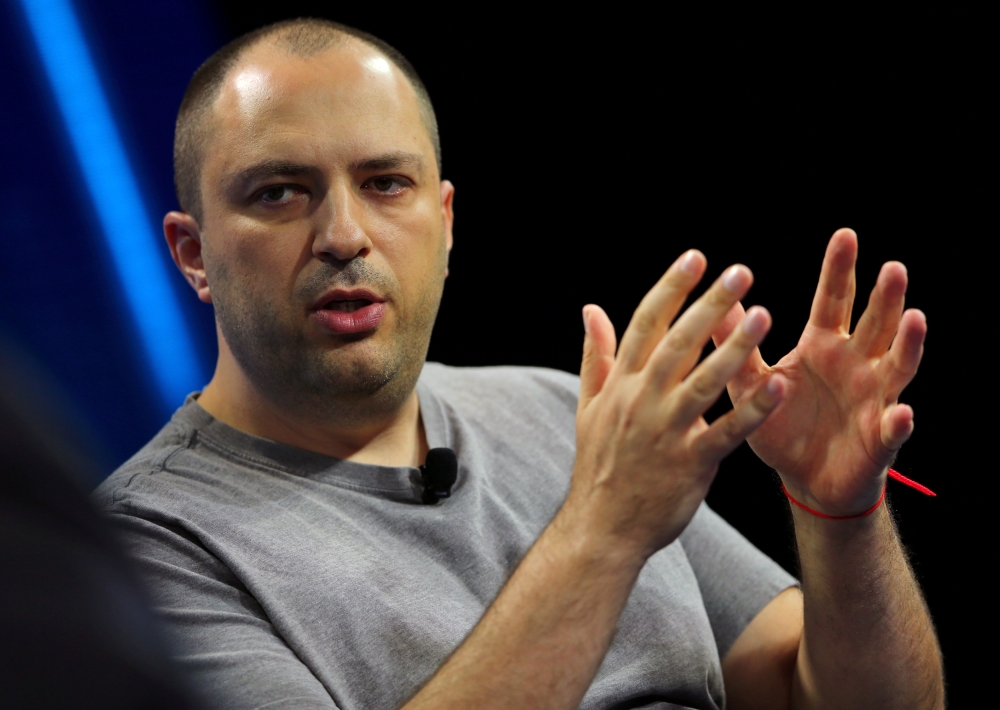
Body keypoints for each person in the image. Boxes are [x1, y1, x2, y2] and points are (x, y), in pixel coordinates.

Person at [94, 18, 944, 710]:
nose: (345, 236)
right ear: (193, 253)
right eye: (279, 192)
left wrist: (842, 515)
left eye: (387, 183)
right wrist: (604, 528)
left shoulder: (556, 411)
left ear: (446, 219)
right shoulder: (141, 550)